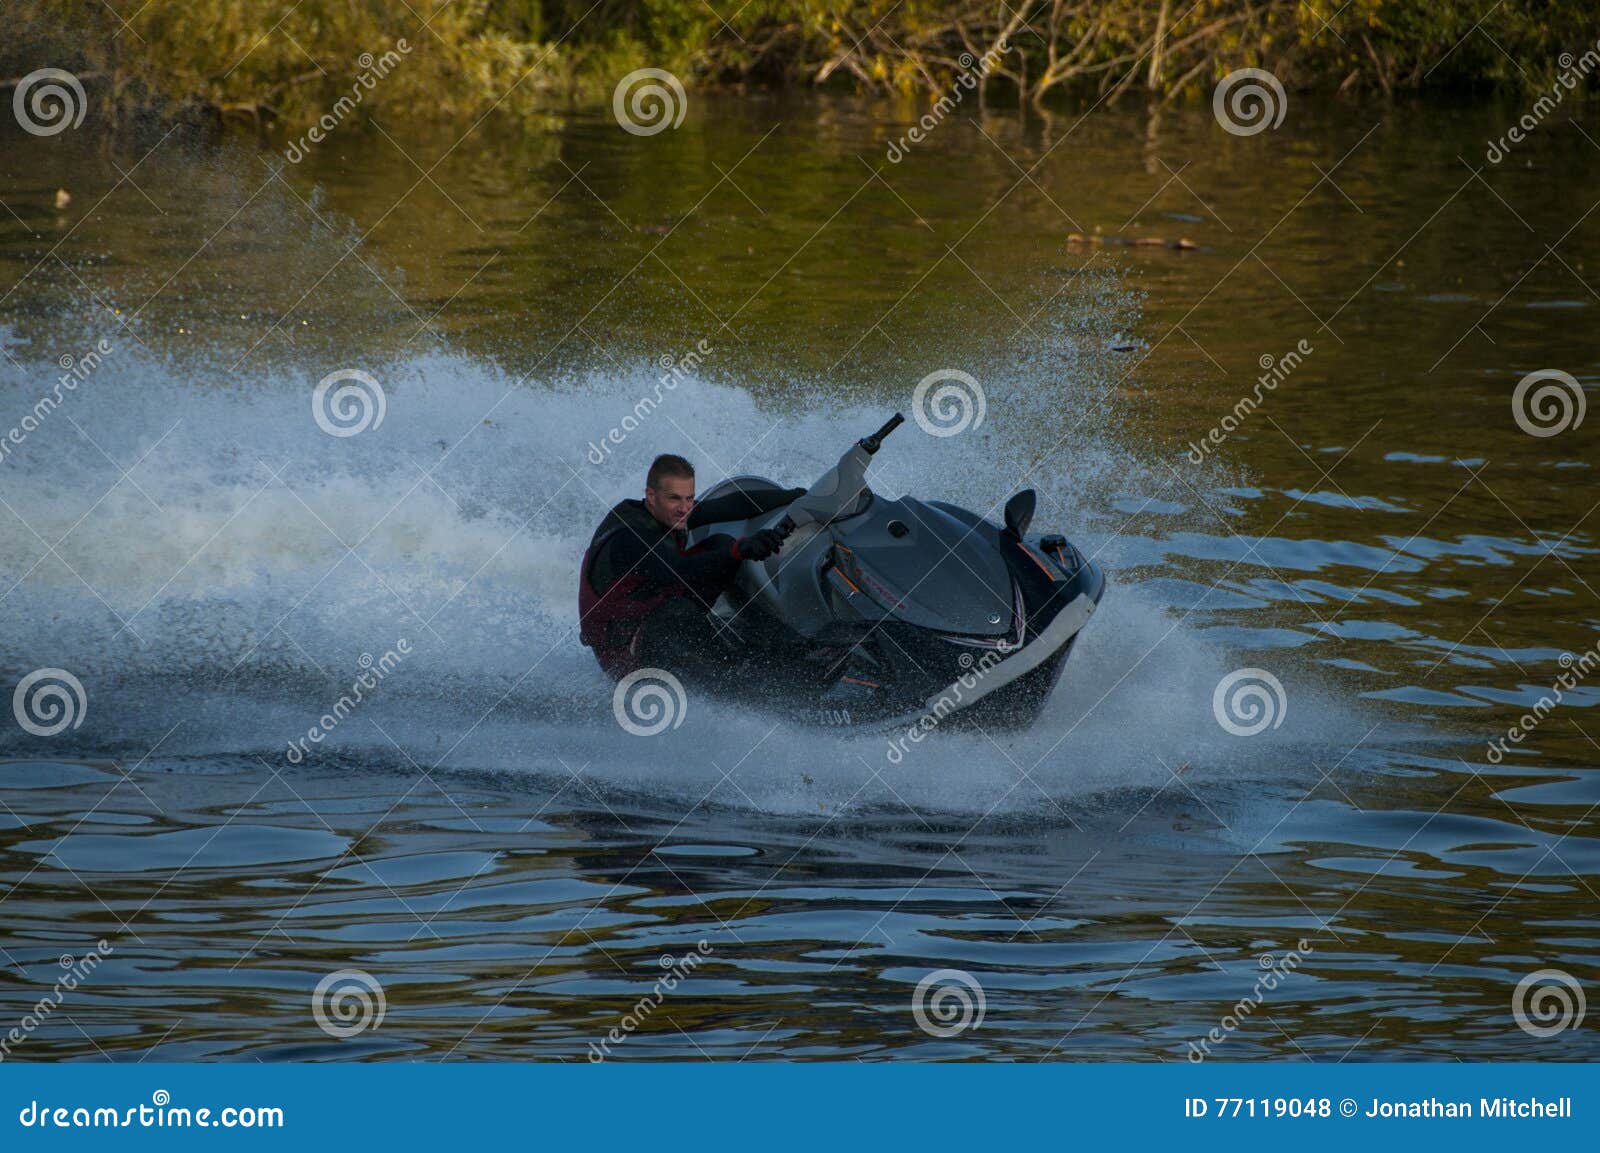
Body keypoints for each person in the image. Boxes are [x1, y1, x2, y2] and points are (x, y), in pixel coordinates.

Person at [578, 453, 794, 687]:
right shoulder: (629, 538)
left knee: (720, 544)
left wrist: (798, 497)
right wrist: (740, 549)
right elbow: (677, 569)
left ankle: (760, 640)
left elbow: (734, 505)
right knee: (679, 607)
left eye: (689, 498)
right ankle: (734, 680)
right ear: (651, 496)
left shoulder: (667, 512)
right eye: (675, 499)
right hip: (626, 656)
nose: (684, 508)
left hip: (654, 620)